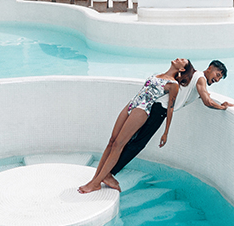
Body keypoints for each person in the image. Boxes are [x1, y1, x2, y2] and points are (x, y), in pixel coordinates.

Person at [105, 60, 233, 190]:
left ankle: (106, 171)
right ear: (209, 68)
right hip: (159, 110)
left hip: (155, 106)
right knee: (138, 143)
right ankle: (109, 174)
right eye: (217, 75)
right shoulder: (200, 79)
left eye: (220, 78)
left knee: (130, 140)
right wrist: (222, 107)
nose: (217, 79)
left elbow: (196, 93)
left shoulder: (194, 76)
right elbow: (207, 101)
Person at [78, 58, 195, 194]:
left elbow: (170, 108)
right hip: (132, 103)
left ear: (182, 69)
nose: (178, 58)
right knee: (111, 141)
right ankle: (94, 180)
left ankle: (96, 183)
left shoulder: (173, 84)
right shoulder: (158, 74)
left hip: (142, 109)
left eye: (182, 60)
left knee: (118, 144)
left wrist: (166, 132)